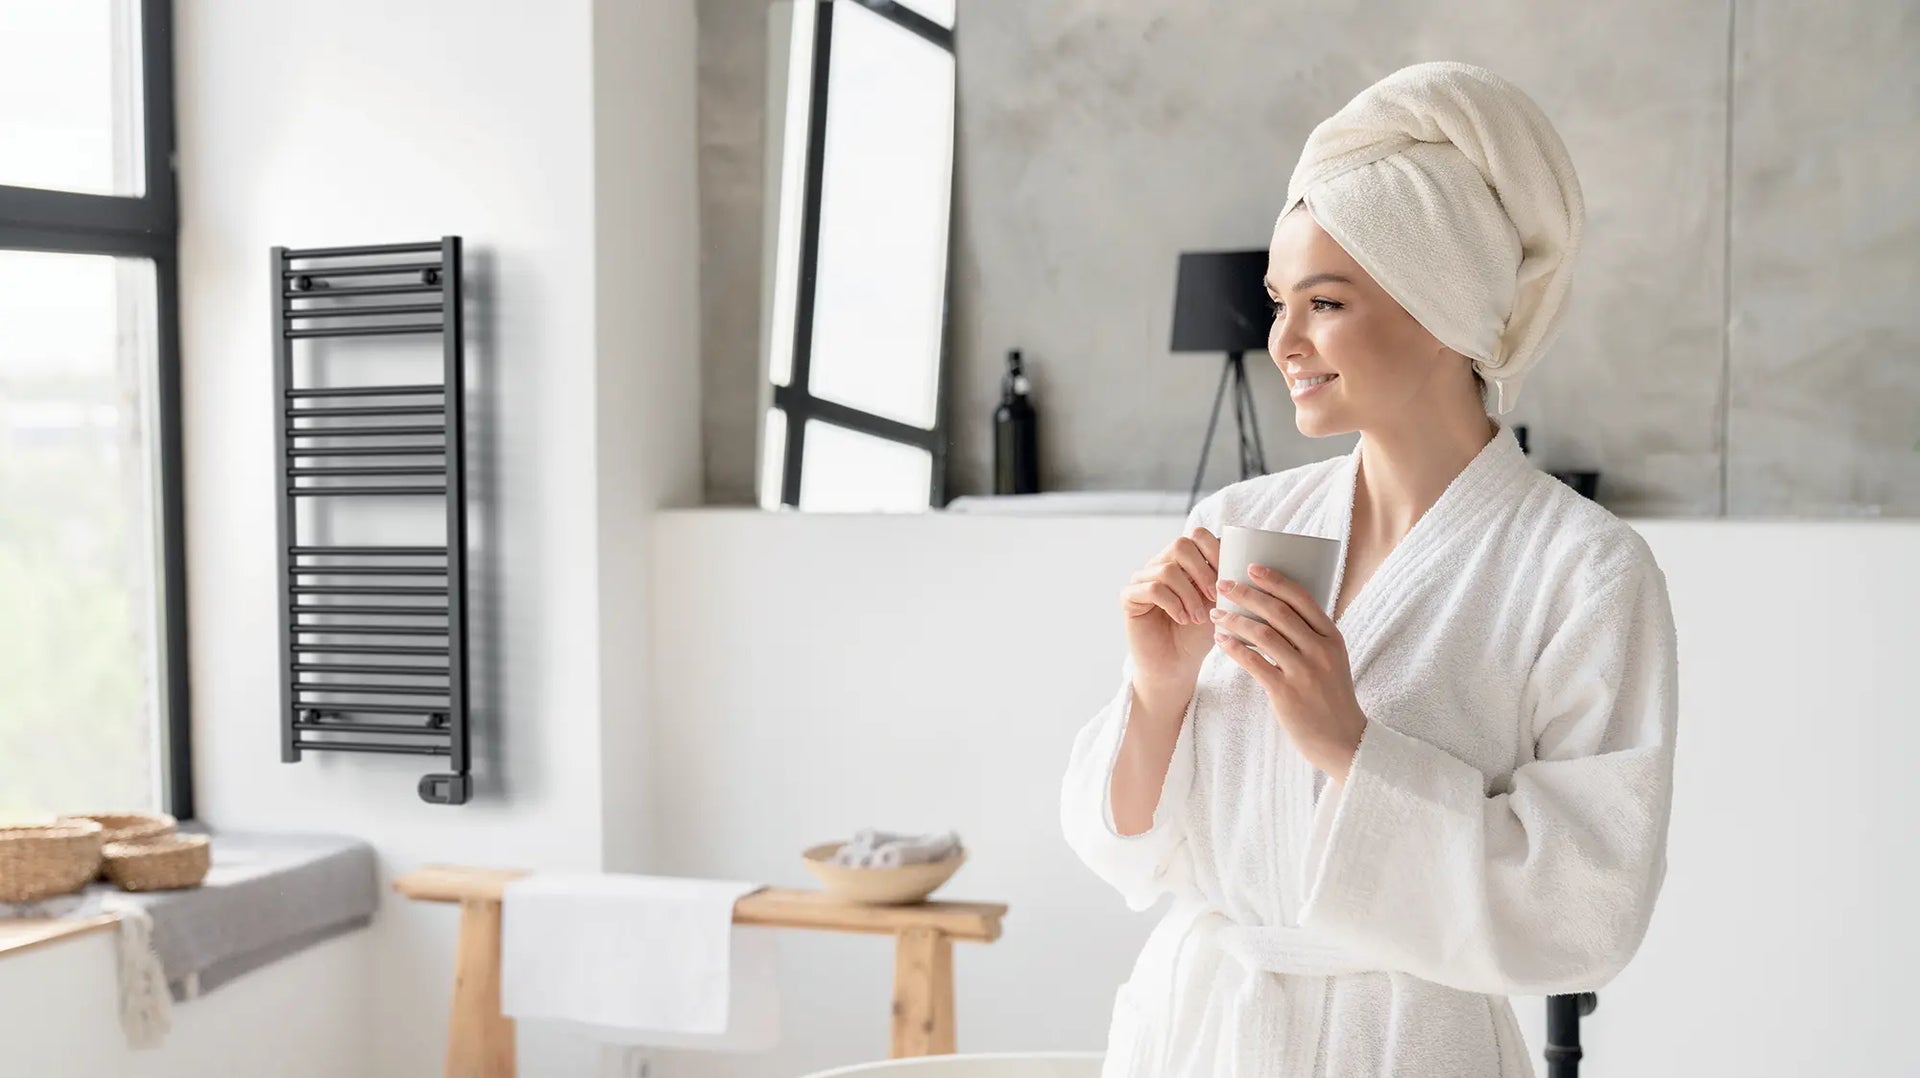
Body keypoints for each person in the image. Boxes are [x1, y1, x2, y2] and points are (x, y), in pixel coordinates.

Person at [1060, 61, 1679, 1077]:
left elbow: (1588, 904)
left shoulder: (1582, 571)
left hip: (1408, 1048)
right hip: (1203, 1035)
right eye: (1279, 301)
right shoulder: (1242, 519)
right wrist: (1157, 690)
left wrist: (1351, 744)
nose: (1283, 340)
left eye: (1326, 302)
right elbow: (1123, 845)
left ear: (1442, 308)